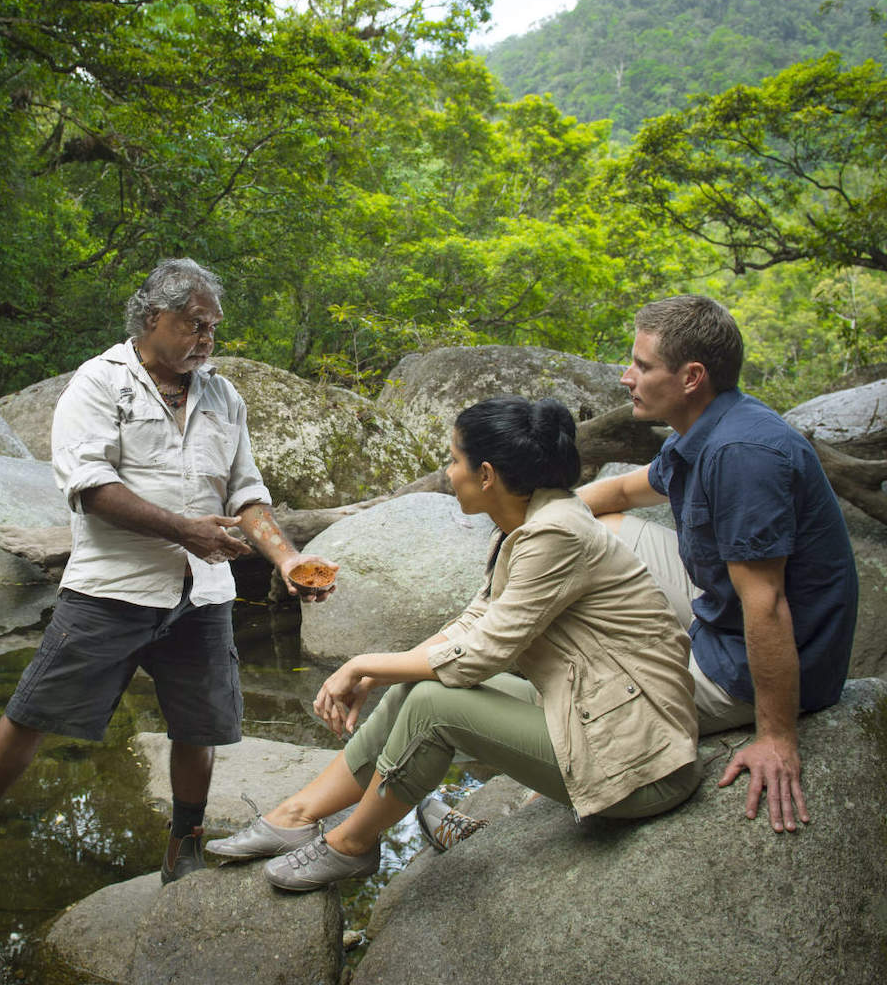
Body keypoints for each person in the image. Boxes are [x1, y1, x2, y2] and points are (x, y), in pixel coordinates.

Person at [0, 258, 336, 919]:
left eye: (213, 327)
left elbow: (247, 493)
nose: (207, 339)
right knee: (30, 712)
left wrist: (286, 558)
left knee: (198, 727)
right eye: (195, 324)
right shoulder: (99, 386)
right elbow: (91, 488)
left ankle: (182, 846)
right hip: (111, 589)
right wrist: (186, 531)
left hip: (203, 596)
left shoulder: (223, 397)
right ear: (153, 318)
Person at [206, 396, 702, 892]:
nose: (448, 472)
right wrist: (378, 672)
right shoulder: (530, 522)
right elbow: (478, 621)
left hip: (637, 762)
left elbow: (480, 656)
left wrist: (359, 663)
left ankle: (352, 845)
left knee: (433, 705)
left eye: (454, 460)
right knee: (406, 693)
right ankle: (296, 814)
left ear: (486, 474)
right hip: (592, 711)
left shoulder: (556, 534)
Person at [577, 294, 858, 835]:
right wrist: (530, 519)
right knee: (592, 530)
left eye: (642, 365)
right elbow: (618, 492)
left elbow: (768, 604)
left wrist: (775, 737)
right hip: (721, 606)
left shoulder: (741, 453)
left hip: (753, 659)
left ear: (691, 377)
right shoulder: (704, 430)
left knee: (593, 699)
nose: (624, 376)